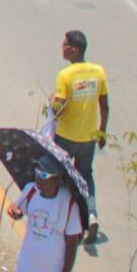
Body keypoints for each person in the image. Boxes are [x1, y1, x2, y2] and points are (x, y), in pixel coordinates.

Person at [48, 29, 109, 243]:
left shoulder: (65, 76)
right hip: (89, 138)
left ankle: (64, 221)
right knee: (85, 178)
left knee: (60, 176)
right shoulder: (98, 72)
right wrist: (102, 132)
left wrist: (51, 101)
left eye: (64, 45)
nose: (62, 48)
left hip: (65, 137)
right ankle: (91, 216)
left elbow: (59, 109)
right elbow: (104, 105)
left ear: (73, 49)